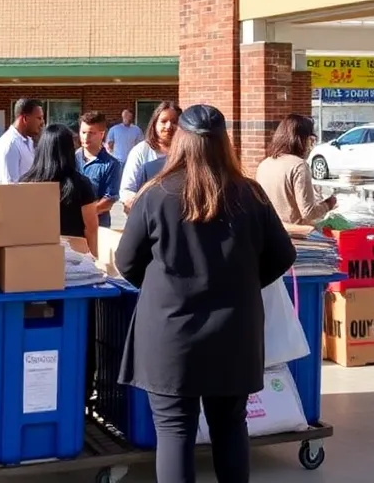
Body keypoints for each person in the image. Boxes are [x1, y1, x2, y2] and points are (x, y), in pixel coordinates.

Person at [115, 104, 296, 483]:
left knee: (174, 431)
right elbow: (283, 255)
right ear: (223, 142)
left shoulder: (156, 195)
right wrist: (243, 283)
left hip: (170, 335)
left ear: (181, 141)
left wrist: (165, 289)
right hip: (234, 332)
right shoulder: (251, 195)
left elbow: (127, 262)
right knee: (230, 426)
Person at [20, 123, 99, 252]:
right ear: (69, 150)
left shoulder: (25, 183)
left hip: (35, 254)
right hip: (74, 255)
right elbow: (91, 227)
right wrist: (94, 256)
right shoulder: (80, 184)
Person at [256, 114, 336, 225]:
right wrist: (329, 203)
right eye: (311, 140)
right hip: (296, 231)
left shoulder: (264, 164)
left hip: (270, 229)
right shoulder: (299, 166)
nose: (311, 145)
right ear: (302, 140)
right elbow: (308, 212)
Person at [119, 102, 181, 210]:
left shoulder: (186, 152)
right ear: (154, 123)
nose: (169, 126)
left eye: (174, 122)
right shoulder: (141, 151)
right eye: (163, 121)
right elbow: (127, 190)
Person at [77, 111, 123, 229]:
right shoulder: (71, 159)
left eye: (91, 133)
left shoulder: (111, 164)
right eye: (83, 132)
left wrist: (84, 214)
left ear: (102, 134)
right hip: (71, 226)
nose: (86, 137)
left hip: (97, 225)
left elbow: (109, 200)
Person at [0, 98, 44, 183]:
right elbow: (11, 186)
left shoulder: (28, 141)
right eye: (39, 118)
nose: (42, 122)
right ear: (25, 118)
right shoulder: (10, 145)